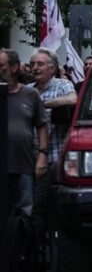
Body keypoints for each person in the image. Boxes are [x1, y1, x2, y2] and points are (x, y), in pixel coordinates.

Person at [28, 48, 78, 225]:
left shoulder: (62, 85)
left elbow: (73, 99)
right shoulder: (28, 90)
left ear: (52, 68)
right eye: (32, 64)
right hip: (29, 159)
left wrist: (44, 105)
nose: (35, 68)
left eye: (40, 64)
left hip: (55, 156)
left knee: (38, 204)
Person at [1, 49, 49, 217]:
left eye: (2, 67)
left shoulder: (30, 94)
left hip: (23, 166)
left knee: (24, 214)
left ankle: (22, 242)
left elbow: (42, 125)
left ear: (14, 68)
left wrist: (43, 155)